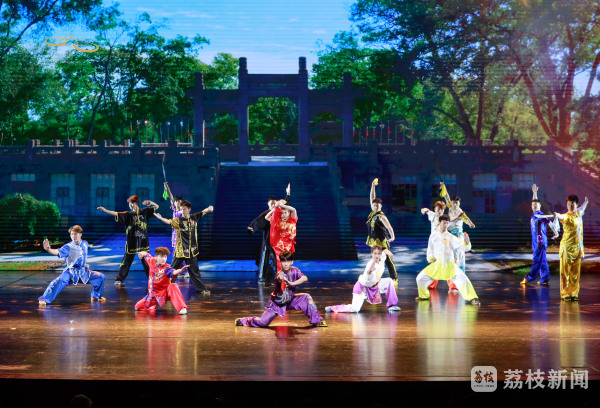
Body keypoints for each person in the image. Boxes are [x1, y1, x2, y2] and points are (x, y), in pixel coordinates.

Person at [235, 251, 327, 328]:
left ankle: (317, 320)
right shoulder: (280, 274)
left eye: (288, 261)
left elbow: (305, 278)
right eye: (283, 261)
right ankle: (245, 320)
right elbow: (279, 279)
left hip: (290, 300)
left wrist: (292, 283)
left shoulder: (295, 270)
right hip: (277, 303)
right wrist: (281, 278)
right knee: (262, 323)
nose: (285, 264)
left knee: (306, 297)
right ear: (281, 262)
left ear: (292, 262)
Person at [415, 215, 480, 305]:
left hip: (449, 265)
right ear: (439, 223)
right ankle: (423, 296)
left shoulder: (450, 237)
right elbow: (430, 249)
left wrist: (466, 242)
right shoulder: (433, 235)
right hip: (436, 265)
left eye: (447, 223)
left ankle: (473, 298)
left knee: (463, 278)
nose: (446, 225)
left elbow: (463, 246)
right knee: (420, 278)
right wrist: (430, 257)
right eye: (444, 223)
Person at [97, 195, 159, 286]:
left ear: (136, 203)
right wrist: (105, 210)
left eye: (131, 204)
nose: (130, 206)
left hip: (143, 243)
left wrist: (151, 203)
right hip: (131, 243)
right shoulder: (128, 215)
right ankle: (119, 279)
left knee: (147, 262)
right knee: (126, 262)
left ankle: (152, 279)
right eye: (129, 204)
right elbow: (116, 213)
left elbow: (156, 207)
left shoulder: (144, 212)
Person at [154, 200, 213, 294]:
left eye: (184, 209)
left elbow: (203, 212)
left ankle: (201, 289)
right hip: (180, 250)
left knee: (195, 271)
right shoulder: (178, 220)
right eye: (181, 209)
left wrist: (209, 209)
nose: (182, 211)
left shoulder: (194, 217)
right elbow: (169, 222)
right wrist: (161, 218)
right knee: (172, 270)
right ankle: (164, 288)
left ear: (189, 209)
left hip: (191, 250)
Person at [38, 225, 105, 305]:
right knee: (58, 281)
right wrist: (49, 249)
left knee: (100, 277)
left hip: (83, 272)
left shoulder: (85, 243)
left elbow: (81, 256)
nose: (73, 236)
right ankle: (45, 299)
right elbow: (57, 252)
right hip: (70, 272)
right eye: (72, 234)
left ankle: (95, 296)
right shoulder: (68, 247)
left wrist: (84, 264)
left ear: (80, 234)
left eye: (75, 234)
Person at [325, 245, 401, 313]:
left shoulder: (382, 257)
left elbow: (385, 251)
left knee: (389, 281)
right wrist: (370, 271)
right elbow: (368, 274)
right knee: (354, 309)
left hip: (375, 285)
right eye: (375, 253)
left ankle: (392, 305)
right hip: (363, 288)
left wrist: (389, 253)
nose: (377, 255)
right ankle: (333, 308)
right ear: (371, 254)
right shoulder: (370, 264)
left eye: (378, 253)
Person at [248, 184, 290, 283]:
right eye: (271, 203)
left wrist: (288, 194)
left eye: (274, 203)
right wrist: (252, 228)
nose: (273, 205)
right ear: (268, 204)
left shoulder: (279, 213)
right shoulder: (266, 214)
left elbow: (285, 202)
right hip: (268, 240)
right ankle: (262, 277)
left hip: (277, 242)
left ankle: (280, 277)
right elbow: (258, 221)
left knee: (278, 259)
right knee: (264, 259)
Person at [438, 182, 475, 293]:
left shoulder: (460, 212)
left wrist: (471, 224)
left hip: (458, 237)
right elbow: (446, 196)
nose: (455, 204)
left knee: (458, 258)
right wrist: (444, 186)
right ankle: (453, 282)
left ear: (459, 203)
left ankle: (459, 282)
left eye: (457, 203)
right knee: (450, 257)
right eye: (454, 203)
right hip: (450, 236)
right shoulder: (450, 207)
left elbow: (466, 219)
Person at [521, 184, 559, 286]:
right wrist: (534, 192)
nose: (534, 206)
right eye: (533, 205)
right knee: (543, 261)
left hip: (540, 242)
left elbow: (550, 223)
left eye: (536, 205)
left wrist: (556, 233)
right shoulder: (534, 214)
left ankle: (529, 278)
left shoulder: (541, 215)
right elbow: (535, 201)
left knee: (537, 261)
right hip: (536, 243)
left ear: (540, 206)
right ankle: (545, 278)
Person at [134, 247, 189, 314]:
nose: (164, 259)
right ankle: (152, 306)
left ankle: (182, 308)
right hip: (153, 295)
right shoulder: (151, 261)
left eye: (165, 257)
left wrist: (181, 270)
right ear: (156, 257)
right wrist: (141, 253)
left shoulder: (166, 268)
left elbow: (174, 272)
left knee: (173, 285)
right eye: (161, 257)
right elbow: (147, 254)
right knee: (137, 307)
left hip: (166, 293)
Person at [554, 194, 588, 301]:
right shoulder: (566, 216)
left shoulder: (579, 213)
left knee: (575, 273)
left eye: (572, 205)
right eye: (568, 205)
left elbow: (582, 208)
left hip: (577, 249)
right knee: (565, 273)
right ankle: (565, 294)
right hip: (567, 249)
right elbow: (561, 216)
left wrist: (586, 202)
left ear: (576, 205)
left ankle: (574, 293)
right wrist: (557, 215)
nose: (570, 207)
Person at [421, 201, 458, 292]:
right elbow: (426, 210)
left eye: (442, 209)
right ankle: (432, 284)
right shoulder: (433, 215)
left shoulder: (445, 219)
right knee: (435, 265)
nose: (440, 211)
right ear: (435, 209)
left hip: (444, 244)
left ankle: (453, 287)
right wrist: (424, 210)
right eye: (438, 209)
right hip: (435, 245)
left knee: (448, 265)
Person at [366, 178, 397, 283]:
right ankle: (374, 276)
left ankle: (394, 278)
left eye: (377, 205)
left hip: (382, 241)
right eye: (374, 205)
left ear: (381, 206)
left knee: (387, 260)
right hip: (374, 241)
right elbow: (372, 197)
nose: (375, 206)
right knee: (375, 259)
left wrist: (392, 236)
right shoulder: (372, 213)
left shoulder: (381, 216)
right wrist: (373, 186)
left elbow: (389, 227)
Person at [163, 182, 188, 279]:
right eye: (176, 201)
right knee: (176, 253)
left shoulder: (182, 211)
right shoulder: (174, 209)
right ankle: (179, 271)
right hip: (174, 235)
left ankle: (184, 271)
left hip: (181, 235)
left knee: (181, 253)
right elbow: (170, 198)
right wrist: (167, 188)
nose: (177, 202)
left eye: (179, 201)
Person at [265, 200, 298, 273]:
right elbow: (266, 217)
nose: (283, 215)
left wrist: (282, 206)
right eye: (282, 213)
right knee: (280, 261)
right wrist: (275, 208)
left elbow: (293, 210)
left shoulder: (292, 219)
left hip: (289, 245)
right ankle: (280, 276)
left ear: (289, 213)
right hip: (279, 245)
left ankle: (287, 275)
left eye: (285, 213)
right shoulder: (277, 221)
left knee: (288, 262)